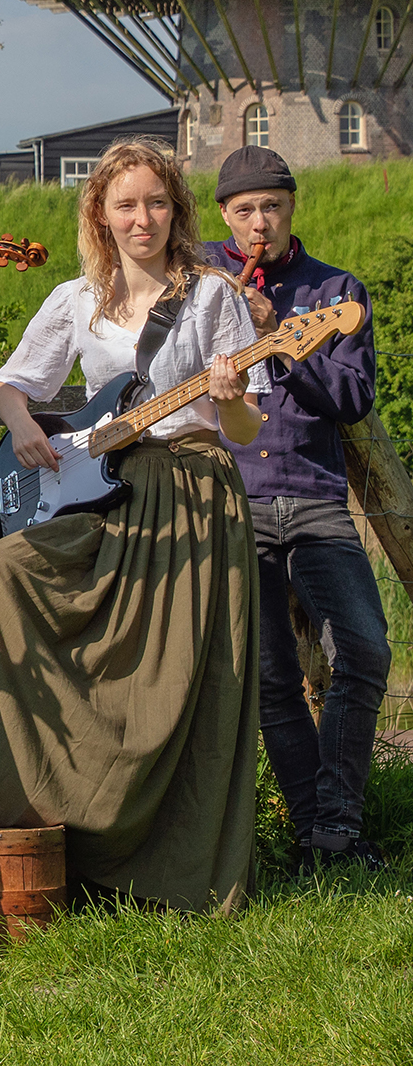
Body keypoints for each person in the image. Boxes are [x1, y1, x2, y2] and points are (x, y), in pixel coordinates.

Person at [0, 138, 268, 914]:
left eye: (156, 201)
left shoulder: (214, 295)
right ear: (101, 213)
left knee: (182, 681)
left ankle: (174, 869)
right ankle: (32, 809)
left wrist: (227, 396)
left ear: (175, 208)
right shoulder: (74, 298)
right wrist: (21, 423)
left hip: (192, 491)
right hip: (102, 494)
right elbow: (13, 383)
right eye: (126, 203)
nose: (142, 216)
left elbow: (247, 432)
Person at [203, 144, 389, 871]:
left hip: (313, 496)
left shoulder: (334, 288)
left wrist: (279, 335)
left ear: (291, 208)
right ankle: (325, 837)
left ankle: (333, 818)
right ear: (225, 213)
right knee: (271, 675)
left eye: (272, 206)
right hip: (233, 500)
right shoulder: (200, 287)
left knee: (366, 649)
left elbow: (352, 398)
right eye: (245, 208)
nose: (260, 221)